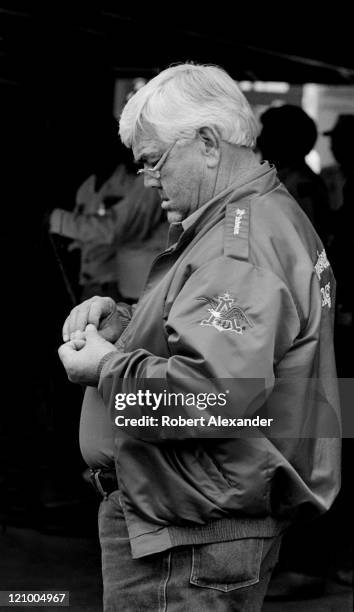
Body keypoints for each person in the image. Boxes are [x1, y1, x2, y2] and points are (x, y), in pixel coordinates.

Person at [57, 64, 341, 611]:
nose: (148, 179)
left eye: (154, 161)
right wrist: (122, 322)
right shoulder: (247, 220)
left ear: (208, 143)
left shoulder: (242, 243)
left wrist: (104, 369)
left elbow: (211, 399)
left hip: (191, 530)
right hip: (200, 512)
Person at [49, 152, 168, 303]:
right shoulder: (86, 187)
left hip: (126, 287)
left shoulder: (135, 183)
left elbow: (115, 230)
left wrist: (58, 220)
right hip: (91, 285)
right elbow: (89, 229)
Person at [257, 104, 330, 245]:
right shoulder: (283, 181)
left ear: (284, 141)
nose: (259, 140)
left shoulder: (299, 186)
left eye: (267, 134)